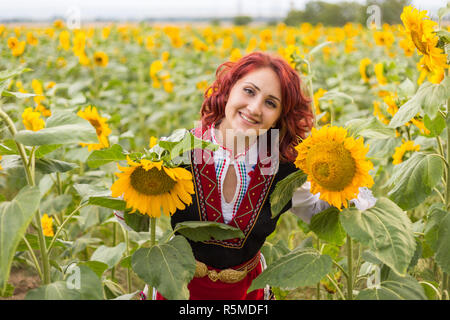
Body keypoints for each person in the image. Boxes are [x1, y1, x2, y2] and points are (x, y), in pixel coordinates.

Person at [115, 51, 375, 300]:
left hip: (245, 292)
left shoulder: (284, 170)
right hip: (176, 286)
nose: (254, 108)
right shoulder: (180, 148)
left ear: (278, 117)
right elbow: (133, 217)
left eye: (270, 103)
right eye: (249, 91)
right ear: (229, 89)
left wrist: (346, 179)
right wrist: (131, 194)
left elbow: (319, 212)